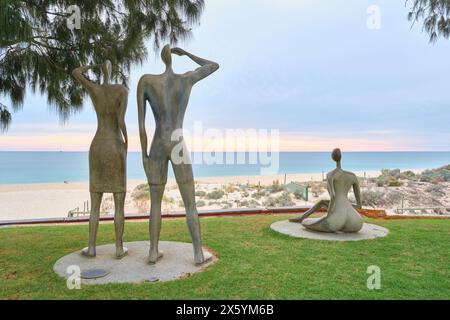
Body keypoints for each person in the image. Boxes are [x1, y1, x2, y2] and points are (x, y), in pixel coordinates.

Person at [137, 45, 219, 265]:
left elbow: (142, 127)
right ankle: (198, 253)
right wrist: (187, 53)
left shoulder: (146, 81)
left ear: (160, 58)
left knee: (155, 203)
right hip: (177, 142)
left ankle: (153, 252)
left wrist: (144, 155)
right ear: (172, 58)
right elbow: (213, 66)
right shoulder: (186, 79)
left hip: (157, 143)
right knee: (190, 203)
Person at [72, 60, 128, 258]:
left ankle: (92, 247)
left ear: (102, 70)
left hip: (97, 146)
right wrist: (126, 143)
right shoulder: (121, 90)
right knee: (119, 202)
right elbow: (121, 121)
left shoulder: (94, 89)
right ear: (111, 69)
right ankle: (119, 248)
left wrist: (91, 67)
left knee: (95, 203)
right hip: (115, 145)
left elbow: (76, 72)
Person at [290, 148, 363, 233]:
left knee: (305, 222)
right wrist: (345, 205)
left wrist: (328, 214)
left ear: (332, 158)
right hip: (356, 222)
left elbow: (333, 196)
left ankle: (302, 218)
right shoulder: (352, 176)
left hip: (336, 220)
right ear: (341, 157)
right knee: (322, 202)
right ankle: (303, 216)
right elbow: (359, 205)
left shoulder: (331, 175)